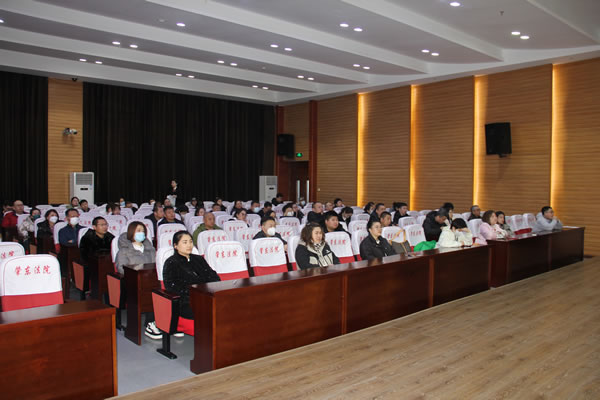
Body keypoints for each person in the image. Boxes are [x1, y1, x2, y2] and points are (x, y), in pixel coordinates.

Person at [163, 232, 220, 333]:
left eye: (190, 242)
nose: (189, 245)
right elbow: (171, 287)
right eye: (185, 242)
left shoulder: (199, 259)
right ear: (175, 246)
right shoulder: (171, 262)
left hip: (206, 296)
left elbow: (213, 276)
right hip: (186, 301)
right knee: (210, 309)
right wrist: (197, 293)